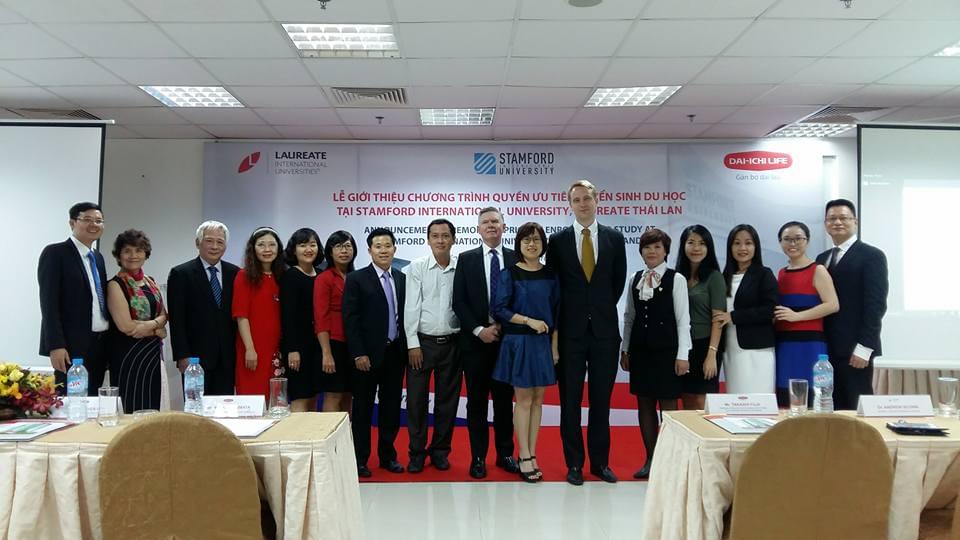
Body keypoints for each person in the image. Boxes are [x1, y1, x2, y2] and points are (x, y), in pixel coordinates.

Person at [546, 180, 626, 486]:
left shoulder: (614, 238)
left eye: (587, 198)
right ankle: (574, 464)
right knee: (570, 403)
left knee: (601, 402)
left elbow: (617, 283)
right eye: (576, 199)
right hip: (571, 334)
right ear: (570, 204)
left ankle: (600, 463)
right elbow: (555, 287)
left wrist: (598, 310)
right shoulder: (558, 241)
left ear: (597, 200)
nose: (582, 204)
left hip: (605, 333)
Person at [452, 207, 519, 479]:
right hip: (475, 344)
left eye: (495, 221)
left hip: (507, 343)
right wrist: (480, 330)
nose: (490, 226)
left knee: (504, 402)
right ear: (478, 229)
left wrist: (505, 325)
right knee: (476, 403)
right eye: (485, 222)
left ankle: (505, 454)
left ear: (504, 227)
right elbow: (459, 301)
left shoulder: (516, 258)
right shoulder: (466, 259)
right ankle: (478, 457)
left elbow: (522, 299)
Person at [491, 222, 559, 483]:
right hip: (518, 343)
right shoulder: (509, 273)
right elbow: (500, 309)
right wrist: (528, 321)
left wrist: (554, 348)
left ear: (543, 244)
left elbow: (557, 313)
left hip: (543, 345)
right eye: (526, 240)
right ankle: (524, 454)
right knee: (524, 401)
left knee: (538, 400)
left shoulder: (551, 274)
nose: (532, 244)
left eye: (537, 240)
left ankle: (532, 453)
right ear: (519, 244)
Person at [621, 228, 691, 479]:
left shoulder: (676, 279)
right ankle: (651, 459)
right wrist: (625, 349)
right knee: (645, 406)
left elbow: (683, 320)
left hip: (667, 353)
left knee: (669, 409)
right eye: (647, 247)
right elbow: (629, 317)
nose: (651, 251)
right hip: (641, 352)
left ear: (666, 251)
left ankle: (671, 462)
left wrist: (683, 354)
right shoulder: (635, 278)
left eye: (657, 247)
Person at [343, 228, 407, 478]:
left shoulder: (401, 278)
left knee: (391, 408)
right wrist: (359, 353)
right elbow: (351, 319)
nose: (383, 250)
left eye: (387, 245)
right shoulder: (357, 279)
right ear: (369, 250)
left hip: (395, 353)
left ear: (394, 249)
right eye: (378, 246)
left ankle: (388, 456)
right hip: (366, 357)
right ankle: (360, 459)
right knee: (363, 409)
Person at [815, 199, 888, 410]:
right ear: (826, 224)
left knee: (856, 408)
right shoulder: (822, 258)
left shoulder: (872, 255)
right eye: (832, 218)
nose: (837, 222)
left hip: (855, 350)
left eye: (843, 218)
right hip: (826, 348)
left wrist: (865, 347)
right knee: (829, 407)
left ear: (855, 221)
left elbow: (876, 304)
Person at [403, 219, 462, 473]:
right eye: (435, 236)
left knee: (447, 402)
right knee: (416, 402)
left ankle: (440, 451)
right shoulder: (416, 267)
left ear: (453, 239)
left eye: (445, 236)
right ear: (428, 240)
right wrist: (412, 343)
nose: (440, 240)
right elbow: (411, 306)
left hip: (453, 344)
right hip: (422, 344)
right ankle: (416, 453)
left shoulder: (462, 266)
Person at [38, 202, 110, 395]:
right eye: (87, 220)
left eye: (98, 221)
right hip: (70, 347)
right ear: (72, 223)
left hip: (99, 343)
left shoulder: (98, 257)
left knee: (94, 400)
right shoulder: (55, 253)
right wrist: (56, 345)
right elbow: (49, 304)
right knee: (71, 401)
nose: (94, 224)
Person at [167, 221, 239, 395]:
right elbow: (177, 320)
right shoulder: (181, 274)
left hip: (227, 359)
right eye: (209, 241)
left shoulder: (235, 273)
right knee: (196, 407)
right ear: (198, 243)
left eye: (220, 242)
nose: (214, 246)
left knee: (224, 407)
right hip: (194, 360)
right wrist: (182, 355)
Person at [774, 221, 839, 405]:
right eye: (787, 239)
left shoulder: (817, 270)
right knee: (785, 399)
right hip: (784, 344)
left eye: (798, 239)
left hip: (810, 345)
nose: (792, 243)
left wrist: (797, 316)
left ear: (807, 241)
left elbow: (832, 305)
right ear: (780, 242)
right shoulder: (781, 273)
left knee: (812, 399)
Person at [105, 229, 167, 413]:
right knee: (131, 407)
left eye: (139, 250)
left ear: (146, 254)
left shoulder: (151, 282)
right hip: (128, 356)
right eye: (127, 251)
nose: (133, 255)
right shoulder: (115, 285)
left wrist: (151, 326)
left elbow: (164, 315)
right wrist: (157, 329)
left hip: (152, 355)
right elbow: (126, 327)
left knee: (152, 407)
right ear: (119, 255)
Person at [713, 224, 778, 394]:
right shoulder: (723, 277)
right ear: (730, 247)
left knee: (757, 398)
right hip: (730, 347)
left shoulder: (764, 274)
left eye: (748, 243)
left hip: (757, 349)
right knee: (736, 398)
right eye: (737, 243)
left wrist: (733, 317)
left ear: (756, 247)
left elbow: (770, 309)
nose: (742, 248)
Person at [675, 224, 726, 410]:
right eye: (691, 242)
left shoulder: (714, 277)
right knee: (686, 399)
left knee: (702, 402)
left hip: (705, 345)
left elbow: (718, 319)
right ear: (683, 245)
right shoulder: (677, 276)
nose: (696, 248)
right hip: (682, 347)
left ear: (709, 247)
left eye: (702, 243)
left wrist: (711, 354)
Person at [233, 227, 285, 399]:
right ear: (253, 248)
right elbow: (241, 316)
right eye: (261, 245)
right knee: (253, 400)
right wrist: (250, 349)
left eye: (272, 245)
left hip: (277, 349)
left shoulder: (283, 276)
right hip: (253, 348)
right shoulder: (244, 276)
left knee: (277, 402)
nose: (267, 249)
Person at [314, 230, 357, 414]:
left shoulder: (356, 276)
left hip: (354, 344)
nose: (344, 251)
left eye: (347, 246)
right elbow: (320, 317)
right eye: (338, 246)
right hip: (333, 344)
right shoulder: (324, 278)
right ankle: (329, 433)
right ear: (330, 252)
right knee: (333, 395)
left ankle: (347, 432)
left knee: (348, 395)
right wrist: (326, 353)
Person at [280, 228, 322, 412]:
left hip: (317, 346)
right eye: (303, 245)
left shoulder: (321, 274)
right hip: (298, 348)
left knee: (313, 396)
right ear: (294, 250)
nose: (308, 249)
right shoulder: (291, 276)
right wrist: (292, 349)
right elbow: (288, 317)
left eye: (313, 244)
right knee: (300, 396)